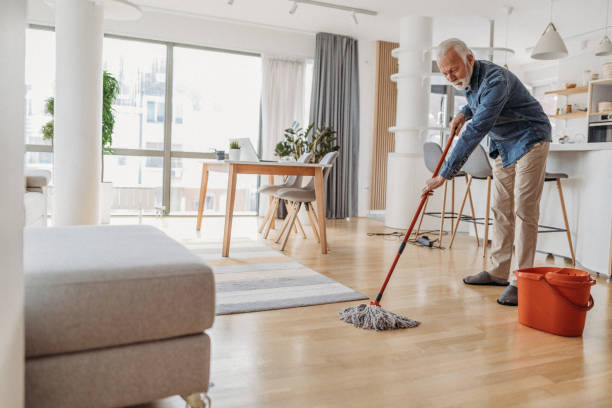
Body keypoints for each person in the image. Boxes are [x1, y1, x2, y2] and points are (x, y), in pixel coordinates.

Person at [423, 38, 552, 306]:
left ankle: (523, 279)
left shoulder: (497, 79)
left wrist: (446, 173)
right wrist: (462, 111)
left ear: (469, 58)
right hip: (503, 145)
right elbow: (475, 102)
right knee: (501, 208)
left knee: (524, 210)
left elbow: (476, 130)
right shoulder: (470, 79)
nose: (450, 77)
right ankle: (497, 272)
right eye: (444, 72)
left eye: (453, 70)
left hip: (530, 137)